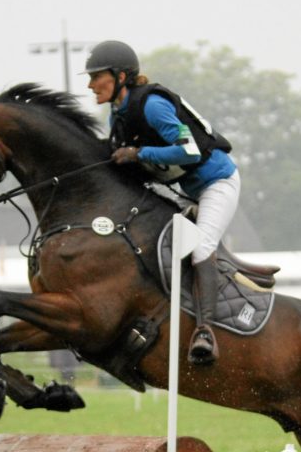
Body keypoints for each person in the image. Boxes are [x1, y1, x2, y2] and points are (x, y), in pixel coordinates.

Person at [83, 40, 239, 366]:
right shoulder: (118, 116)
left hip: (217, 184)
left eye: (97, 76)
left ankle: (206, 332)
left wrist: (140, 153)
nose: (90, 84)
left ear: (121, 76)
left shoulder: (151, 105)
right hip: (183, 191)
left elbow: (190, 150)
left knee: (200, 248)